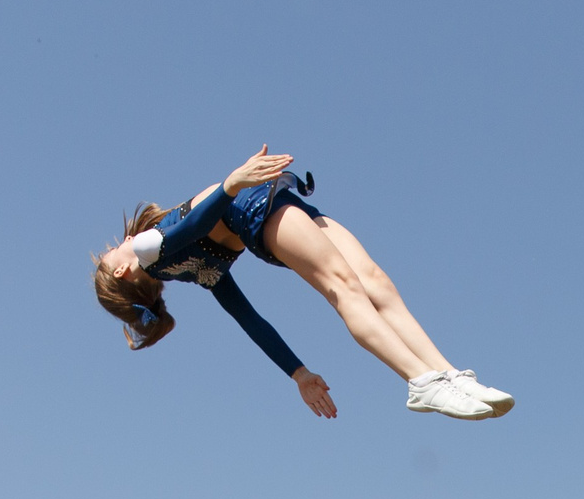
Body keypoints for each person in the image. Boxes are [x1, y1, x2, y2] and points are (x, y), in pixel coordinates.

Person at [92, 145, 512, 422]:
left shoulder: (186, 268)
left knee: (374, 281)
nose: (121, 242)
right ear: (123, 272)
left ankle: (445, 373)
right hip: (255, 209)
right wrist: (230, 185)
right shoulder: (150, 251)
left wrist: (298, 373)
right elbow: (193, 226)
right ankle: (421, 381)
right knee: (343, 285)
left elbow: (249, 319)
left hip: (272, 198)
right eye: (113, 253)